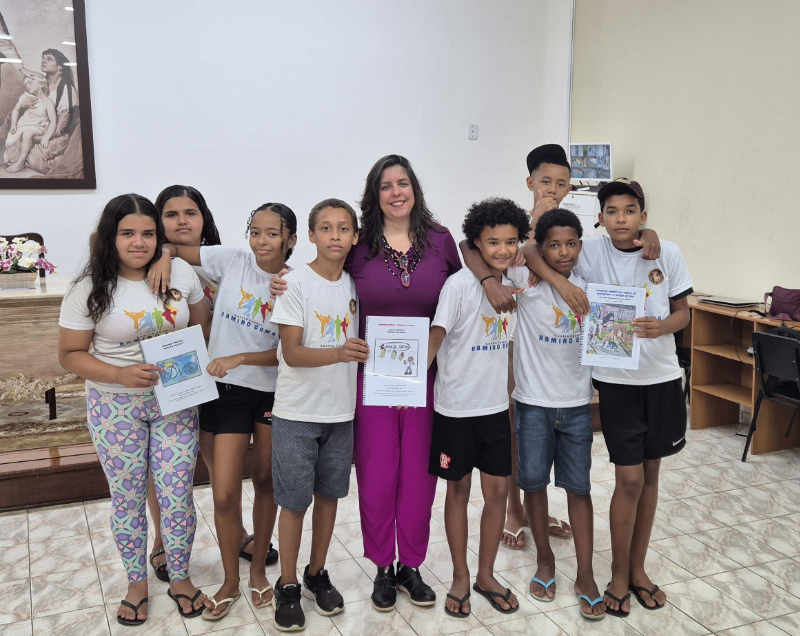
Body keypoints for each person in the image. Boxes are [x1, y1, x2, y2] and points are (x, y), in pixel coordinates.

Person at [271, 155, 461, 612]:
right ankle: (381, 565)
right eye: (385, 185)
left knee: (418, 476)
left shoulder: (440, 240)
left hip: (424, 379)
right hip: (368, 380)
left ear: (414, 188)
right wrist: (279, 280)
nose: (396, 192)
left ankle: (410, 565)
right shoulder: (359, 246)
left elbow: (464, 289)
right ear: (374, 195)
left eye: (403, 183)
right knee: (377, 475)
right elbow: (321, 270)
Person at [526, 179, 692, 616]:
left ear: (643, 215)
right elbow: (530, 252)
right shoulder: (591, 252)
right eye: (613, 211)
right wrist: (562, 287)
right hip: (617, 383)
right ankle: (618, 574)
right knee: (630, 479)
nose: (622, 218)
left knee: (651, 476)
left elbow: (683, 311)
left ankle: (637, 570)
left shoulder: (666, 252)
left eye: (631, 210)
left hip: (662, 379)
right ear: (600, 219)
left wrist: (663, 327)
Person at [58, 194, 212, 626]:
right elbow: (70, 354)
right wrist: (119, 374)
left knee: (177, 493)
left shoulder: (179, 272)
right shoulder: (89, 287)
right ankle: (136, 584)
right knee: (127, 498)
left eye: (148, 233)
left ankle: (179, 577)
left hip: (175, 402)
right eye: (128, 233)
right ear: (112, 237)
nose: (139, 242)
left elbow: (202, 326)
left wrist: (182, 360)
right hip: (114, 407)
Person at [157, 202, 297, 620]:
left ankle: (256, 573)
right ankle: (230, 580)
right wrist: (164, 255)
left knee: (266, 479)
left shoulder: (297, 282)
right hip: (227, 392)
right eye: (255, 231)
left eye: (272, 233)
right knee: (222, 492)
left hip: (273, 394)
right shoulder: (230, 259)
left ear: (290, 240)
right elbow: (174, 246)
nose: (261, 241)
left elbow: (290, 352)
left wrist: (239, 358)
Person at [459, 144, 577, 550]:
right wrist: (491, 281)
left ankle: (536, 509)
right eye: (545, 181)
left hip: (551, 354)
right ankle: (515, 509)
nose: (552, 189)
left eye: (561, 183)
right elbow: (471, 247)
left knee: (545, 435)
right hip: (509, 347)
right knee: (512, 430)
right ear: (530, 183)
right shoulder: (516, 230)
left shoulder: (567, 232)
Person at [427, 198, 529, 617]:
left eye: (510, 242)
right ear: (477, 244)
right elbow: (436, 335)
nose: (502, 250)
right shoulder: (459, 286)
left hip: (495, 409)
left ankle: (486, 574)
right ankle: (459, 576)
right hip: (455, 410)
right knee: (458, 491)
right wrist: (407, 381)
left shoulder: (517, 281)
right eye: (492, 242)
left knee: (499, 493)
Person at [269, 199, 367, 632]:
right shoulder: (293, 284)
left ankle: (316, 572)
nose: (334, 235)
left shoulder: (356, 286)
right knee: (294, 503)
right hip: (295, 412)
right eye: (325, 228)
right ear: (310, 235)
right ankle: (287, 583)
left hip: (341, 412)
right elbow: (291, 353)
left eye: (343, 228)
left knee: (330, 497)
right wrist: (340, 352)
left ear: (355, 237)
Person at [146, 185, 251, 583]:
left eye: (191, 212)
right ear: (159, 221)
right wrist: (162, 254)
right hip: (171, 379)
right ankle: (161, 541)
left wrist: (168, 252)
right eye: (171, 214)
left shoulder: (221, 262)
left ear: (204, 218)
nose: (182, 221)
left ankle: (237, 532)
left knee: (219, 464)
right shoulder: (145, 263)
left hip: (221, 377)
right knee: (165, 468)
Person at [514, 209, 605, 620]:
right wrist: (549, 274)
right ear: (541, 247)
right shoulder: (524, 279)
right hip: (532, 403)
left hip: (577, 408)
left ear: (581, 246)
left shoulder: (593, 287)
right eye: (553, 244)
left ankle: (586, 573)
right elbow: (483, 249)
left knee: (578, 488)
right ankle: (545, 560)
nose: (563, 251)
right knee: (532, 483)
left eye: (571, 244)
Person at [3, 74, 55, 172]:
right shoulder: (25, 97)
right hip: (22, 125)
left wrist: (47, 137)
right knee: (9, 144)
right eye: (26, 83)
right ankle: (15, 158)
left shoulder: (47, 102)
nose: (27, 85)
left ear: (41, 84)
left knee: (27, 133)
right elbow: (16, 109)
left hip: (38, 127)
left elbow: (53, 121)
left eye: (30, 82)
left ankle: (20, 163)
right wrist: (13, 124)